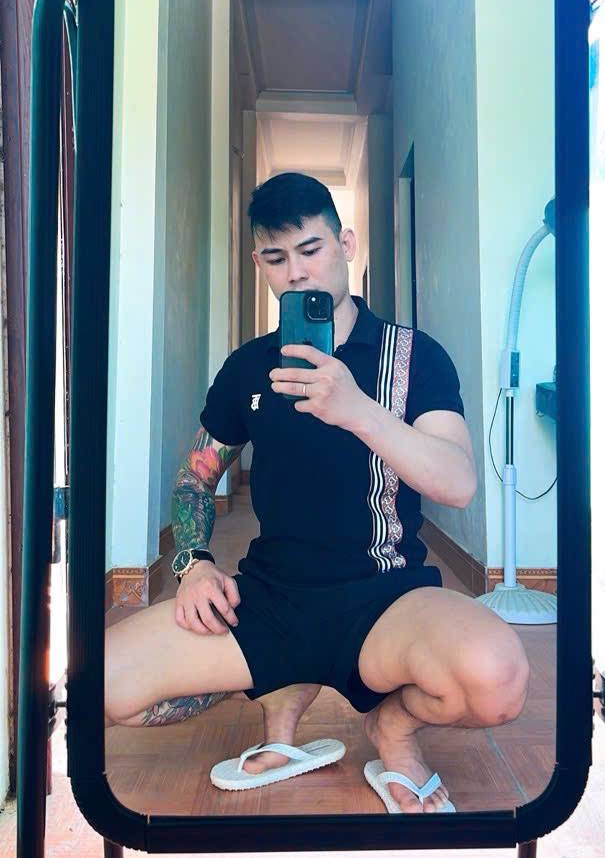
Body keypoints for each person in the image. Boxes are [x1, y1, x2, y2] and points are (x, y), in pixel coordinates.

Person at [105, 173, 530, 813]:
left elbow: (458, 482)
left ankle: (393, 728)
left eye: (311, 250)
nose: (297, 272)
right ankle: (282, 690)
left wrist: (359, 411)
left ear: (346, 244)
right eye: (277, 258)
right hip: (269, 599)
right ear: (259, 265)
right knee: (104, 686)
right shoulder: (248, 366)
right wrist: (193, 565)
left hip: (387, 598)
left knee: (498, 678)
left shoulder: (415, 357)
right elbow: (196, 476)